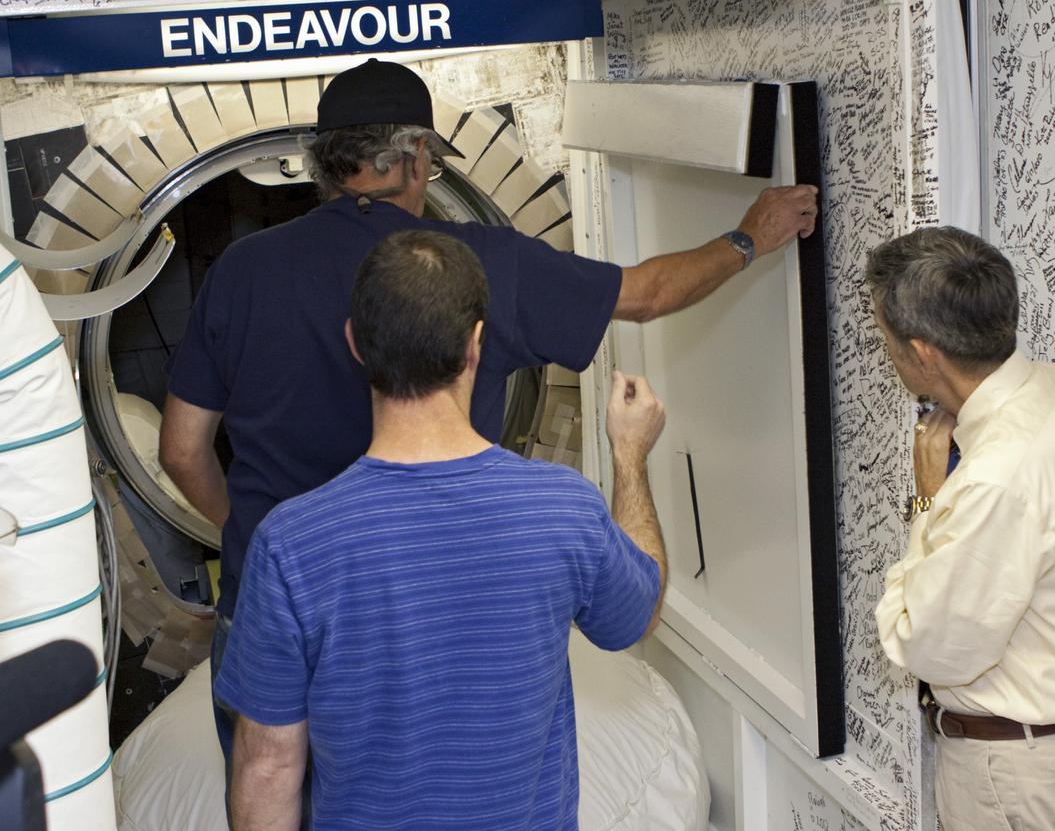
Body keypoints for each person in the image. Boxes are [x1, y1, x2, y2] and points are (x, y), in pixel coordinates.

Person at [156, 58, 818, 759]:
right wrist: (747, 238)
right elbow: (648, 294)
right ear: (414, 157)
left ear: (325, 165)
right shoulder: (477, 264)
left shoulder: (242, 269)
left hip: (269, 607)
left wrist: (252, 533)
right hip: (432, 617)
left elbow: (180, 449)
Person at [213, 229, 668, 829]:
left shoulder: (291, 543)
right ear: (476, 344)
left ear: (355, 343)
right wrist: (630, 456)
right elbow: (641, 611)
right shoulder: (562, 509)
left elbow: (267, 767)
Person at [866, 226, 1055, 831]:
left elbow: (924, 645)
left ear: (923, 354)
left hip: (1017, 781)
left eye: (885, 341)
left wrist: (928, 503)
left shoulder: (995, 478)